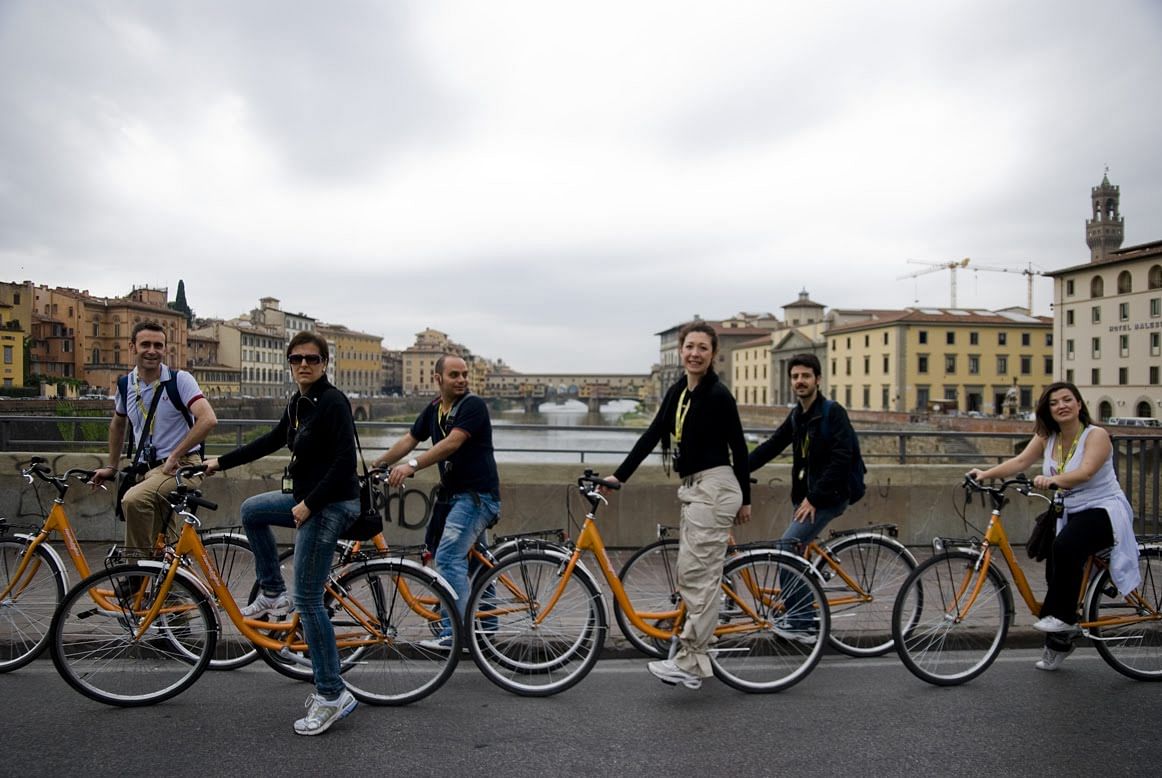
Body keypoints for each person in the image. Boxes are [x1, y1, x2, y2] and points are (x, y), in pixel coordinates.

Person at [203, 332, 359, 735]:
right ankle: (272, 592)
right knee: (252, 511)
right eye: (296, 359)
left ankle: (331, 694)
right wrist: (219, 462)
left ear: (325, 363)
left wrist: (308, 505)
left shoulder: (333, 403)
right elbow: (271, 441)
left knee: (308, 600)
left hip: (329, 506)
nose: (303, 364)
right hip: (307, 500)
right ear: (289, 364)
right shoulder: (298, 405)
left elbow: (345, 464)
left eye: (312, 358)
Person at [602, 321, 750, 690]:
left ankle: (691, 663)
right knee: (693, 574)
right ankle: (701, 646)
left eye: (703, 348)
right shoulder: (678, 392)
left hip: (714, 486)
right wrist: (620, 477)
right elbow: (653, 434)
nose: (695, 353)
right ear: (681, 351)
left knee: (696, 578)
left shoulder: (718, 395)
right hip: (696, 488)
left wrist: (746, 498)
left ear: (713, 354)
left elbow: (739, 447)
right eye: (690, 347)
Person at [968, 381, 1141, 672]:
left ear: (1078, 404)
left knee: (1065, 547)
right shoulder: (1047, 435)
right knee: (1054, 569)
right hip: (1069, 510)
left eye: (1067, 400)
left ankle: (1063, 618)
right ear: (1047, 410)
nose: (1061, 406)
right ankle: (1059, 643)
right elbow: (1021, 460)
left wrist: (1054, 481)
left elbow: (1085, 472)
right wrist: (985, 474)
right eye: (1054, 402)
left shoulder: (1096, 435)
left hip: (1103, 509)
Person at [372, 354, 500, 650]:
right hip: (454, 497)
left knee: (449, 558)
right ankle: (487, 631)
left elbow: (452, 443)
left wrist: (411, 466)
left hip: (476, 497)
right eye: (454, 375)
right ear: (438, 378)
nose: (462, 380)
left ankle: (456, 634)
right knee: (479, 564)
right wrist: (377, 464)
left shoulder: (473, 406)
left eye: (464, 374)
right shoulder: (434, 409)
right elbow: (409, 439)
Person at [747, 352, 857, 642]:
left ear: (818, 379)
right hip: (807, 497)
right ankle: (802, 608)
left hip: (828, 497)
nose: (800, 381)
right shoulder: (798, 415)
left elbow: (842, 459)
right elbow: (772, 446)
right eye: (795, 376)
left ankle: (804, 623)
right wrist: (737, 469)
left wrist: (815, 498)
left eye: (806, 376)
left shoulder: (833, 412)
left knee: (786, 548)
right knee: (798, 551)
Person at [90, 320, 217, 551]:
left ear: (165, 349)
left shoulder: (179, 380)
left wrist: (175, 455)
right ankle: (169, 583)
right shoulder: (125, 384)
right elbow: (118, 425)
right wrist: (112, 466)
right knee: (165, 544)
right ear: (132, 347)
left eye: (158, 345)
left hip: (182, 467)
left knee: (133, 499)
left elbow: (208, 419)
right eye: (145, 344)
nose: (152, 350)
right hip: (148, 471)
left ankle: (135, 572)